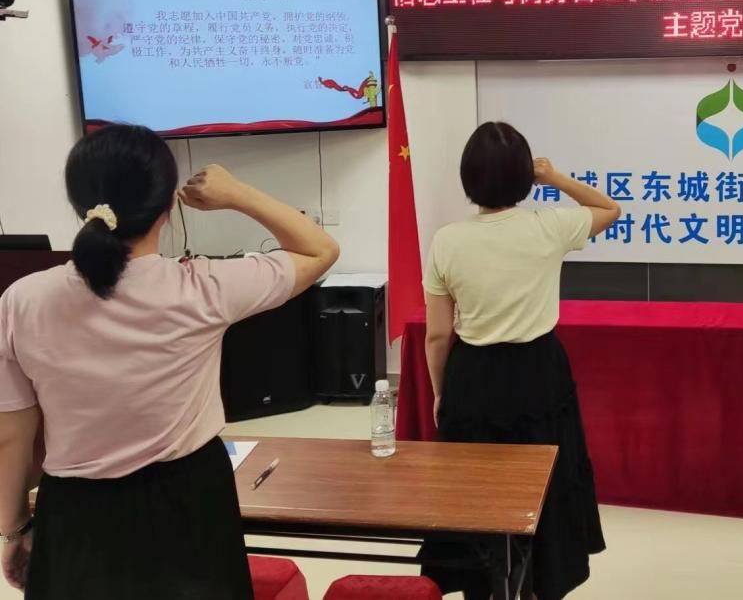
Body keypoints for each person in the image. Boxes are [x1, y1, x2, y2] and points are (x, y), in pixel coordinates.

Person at [0, 124, 339, 599]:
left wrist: (13, 530)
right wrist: (237, 193)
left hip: (76, 512)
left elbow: (10, 435)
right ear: (166, 208)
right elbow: (321, 249)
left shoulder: (22, 300)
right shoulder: (204, 286)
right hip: (189, 504)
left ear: (80, 205)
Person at [421, 121, 620, 600]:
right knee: (547, 484)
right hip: (539, 372)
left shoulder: (447, 240)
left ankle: (480, 586)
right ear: (525, 177)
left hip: (472, 375)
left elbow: (438, 335)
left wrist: (441, 392)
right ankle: (539, 583)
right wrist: (555, 177)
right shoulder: (549, 226)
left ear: (469, 177)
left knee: (473, 489)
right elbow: (609, 209)